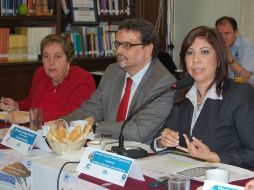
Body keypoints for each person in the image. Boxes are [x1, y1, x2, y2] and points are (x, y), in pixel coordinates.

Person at [52, 18, 176, 144]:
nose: (119, 51)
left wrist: (95, 127)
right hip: (108, 147)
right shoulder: (113, 71)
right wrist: (65, 122)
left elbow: (138, 131)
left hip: (143, 154)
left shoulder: (163, 82)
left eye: (127, 45)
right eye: (117, 44)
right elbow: (91, 110)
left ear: (148, 49)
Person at [151, 26, 254, 168]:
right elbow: (159, 137)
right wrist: (162, 141)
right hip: (189, 174)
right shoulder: (183, 92)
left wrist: (216, 157)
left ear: (218, 59)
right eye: (190, 52)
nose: (196, 60)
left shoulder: (239, 95)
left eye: (204, 52)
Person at [0, 34, 96, 122]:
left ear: (69, 59)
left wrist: (31, 116)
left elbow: (74, 116)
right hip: (36, 131)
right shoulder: (41, 73)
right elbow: (31, 104)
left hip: (62, 136)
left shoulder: (83, 79)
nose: (51, 62)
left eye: (57, 56)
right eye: (46, 56)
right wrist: (16, 106)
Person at [215, 16, 254, 86]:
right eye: (220, 34)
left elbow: (243, 79)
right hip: (227, 83)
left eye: (227, 33)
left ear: (236, 32)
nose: (223, 37)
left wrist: (229, 56)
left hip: (247, 85)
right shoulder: (216, 44)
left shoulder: (248, 46)